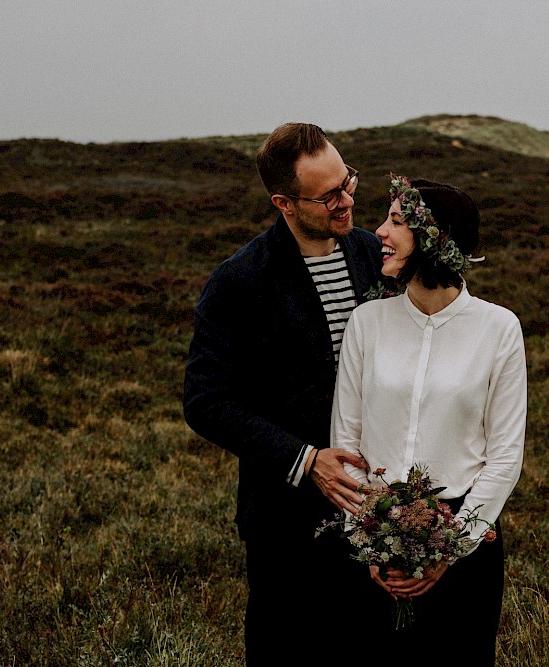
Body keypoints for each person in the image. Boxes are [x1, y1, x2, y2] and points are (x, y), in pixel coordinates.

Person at [182, 122, 387, 665]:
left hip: (377, 509)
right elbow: (205, 401)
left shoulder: (374, 256)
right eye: (328, 196)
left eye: (349, 183)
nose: (346, 202)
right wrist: (305, 460)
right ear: (284, 203)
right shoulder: (238, 283)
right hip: (285, 523)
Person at [331, 174, 527, 664]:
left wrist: (448, 549)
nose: (378, 231)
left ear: (435, 238)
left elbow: (504, 457)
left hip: (464, 545)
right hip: (372, 542)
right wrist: (374, 542)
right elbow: (346, 440)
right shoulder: (367, 322)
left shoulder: (498, 329)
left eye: (396, 221)